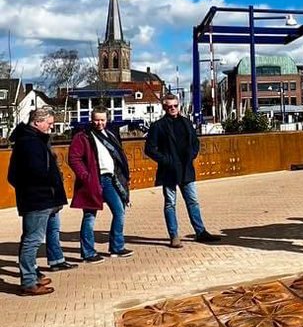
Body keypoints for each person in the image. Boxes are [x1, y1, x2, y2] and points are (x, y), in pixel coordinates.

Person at [8, 106, 71, 295]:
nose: (51, 128)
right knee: (32, 240)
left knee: (32, 238)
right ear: (37, 122)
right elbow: (25, 173)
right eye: (49, 124)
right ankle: (28, 281)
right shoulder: (28, 142)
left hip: (42, 198)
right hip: (37, 199)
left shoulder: (34, 139)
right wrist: (43, 188)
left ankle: (33, 275)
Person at [144, 94, 221, 246]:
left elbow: (195, 142)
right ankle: (174, 235)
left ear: (179, 106)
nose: (172, 108)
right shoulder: (158, 126)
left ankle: (200, 232)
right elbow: (150, 149)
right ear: (164, 108)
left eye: (175, 106)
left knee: (193, 201)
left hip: (186, 169)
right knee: (170, 203)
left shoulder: (186, 122)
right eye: (169, 106)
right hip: (169, 171)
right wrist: (167, 161)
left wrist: (192, 154)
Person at [68, 111, 133, 260]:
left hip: (111, 179)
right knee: (90, 216)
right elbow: (74, 158)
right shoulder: (82, 136)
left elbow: (119, 156)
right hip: (93, 181)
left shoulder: (110, 134)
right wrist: (85, 176)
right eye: (96, 120)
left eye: (102, 120)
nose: (99, 123)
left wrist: (124, 175)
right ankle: (88, 253)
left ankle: (116, 247)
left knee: (119, 211)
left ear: (107, 119)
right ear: (91, 119)